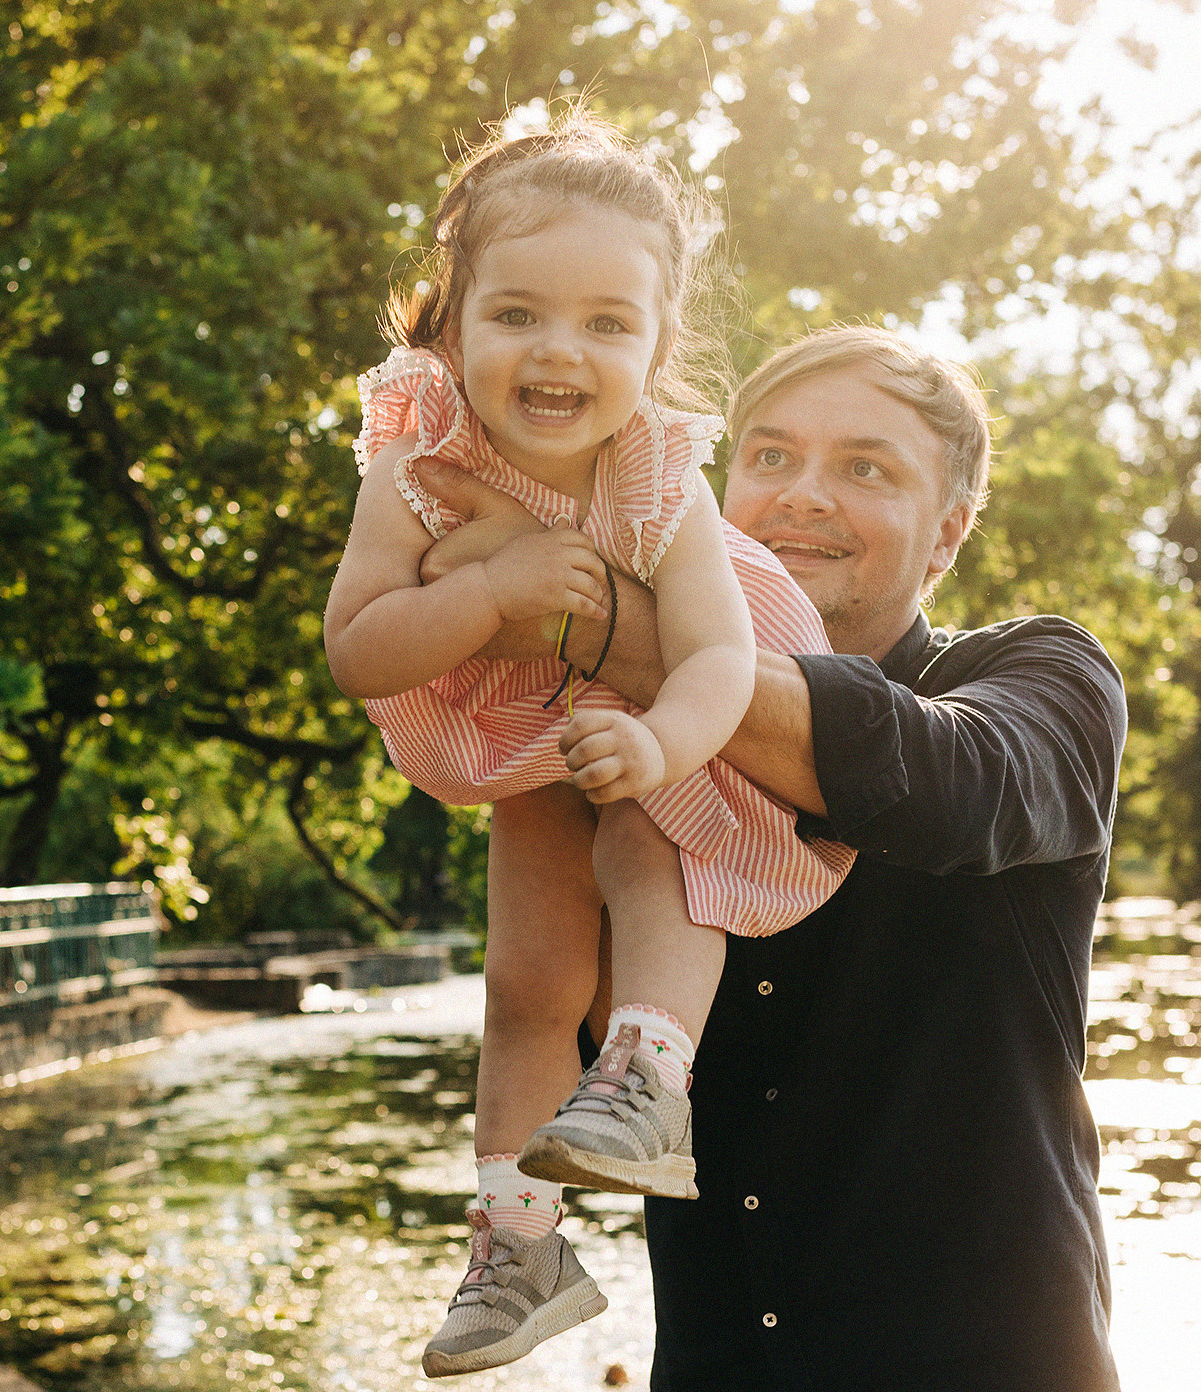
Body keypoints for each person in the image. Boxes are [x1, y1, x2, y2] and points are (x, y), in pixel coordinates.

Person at [416, 325, 1127, 1390]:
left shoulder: (1040, 677)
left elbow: (945, 784)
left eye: (864, 468)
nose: (800, 494)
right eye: (768, 457)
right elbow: (563, 1018)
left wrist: (598, 623)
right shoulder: (602, 732)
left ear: (946, 534)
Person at [322, 116, 850, 1378]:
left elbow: (720, 657)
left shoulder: (662, 475)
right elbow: (360, 647)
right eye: (518, 315)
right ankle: (518, 1249)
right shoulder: (412, 459)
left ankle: (646, 1075)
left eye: (609, 324)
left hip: (676, 717)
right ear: (450, 330)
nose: (561, 352)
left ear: (659, 346)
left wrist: (663, 749)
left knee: (641, 848)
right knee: (522, 986)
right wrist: (493, 593)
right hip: (524, 724)